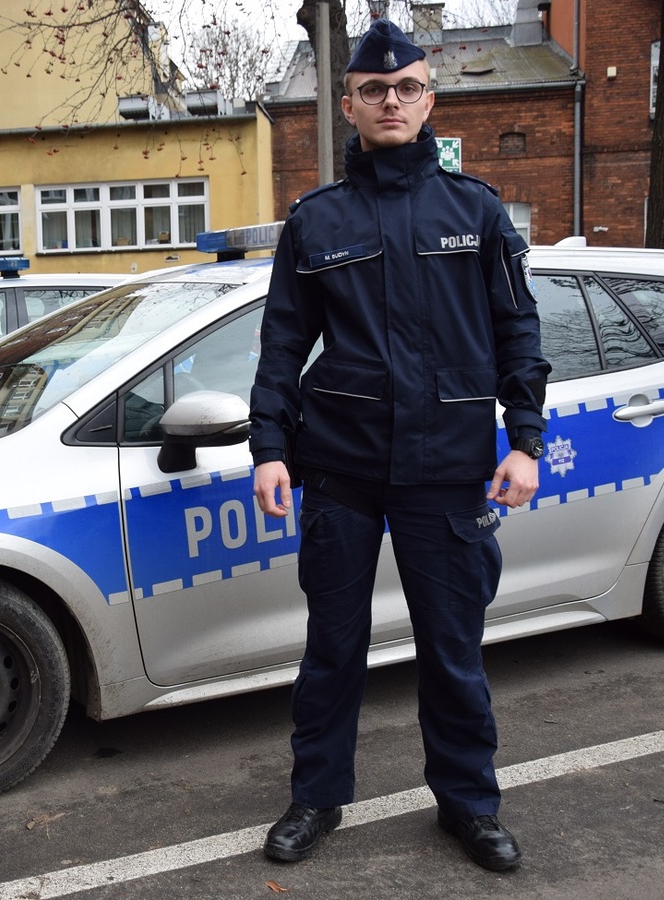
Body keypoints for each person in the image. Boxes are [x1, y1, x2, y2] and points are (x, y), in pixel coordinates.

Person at [249, 18, 550, 872]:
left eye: (407, 87)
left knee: (452, 651)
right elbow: (281, 346)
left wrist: (524, 439)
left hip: (448, 471)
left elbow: (517, 334)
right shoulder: (315, 221)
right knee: (332, 647)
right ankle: (316, 797)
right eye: (374, 89)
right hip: (340, 469)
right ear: (348, 104)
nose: (391, 101)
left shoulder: (478, 211)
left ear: (429, 100)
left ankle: (468, 805)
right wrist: (269, 447)